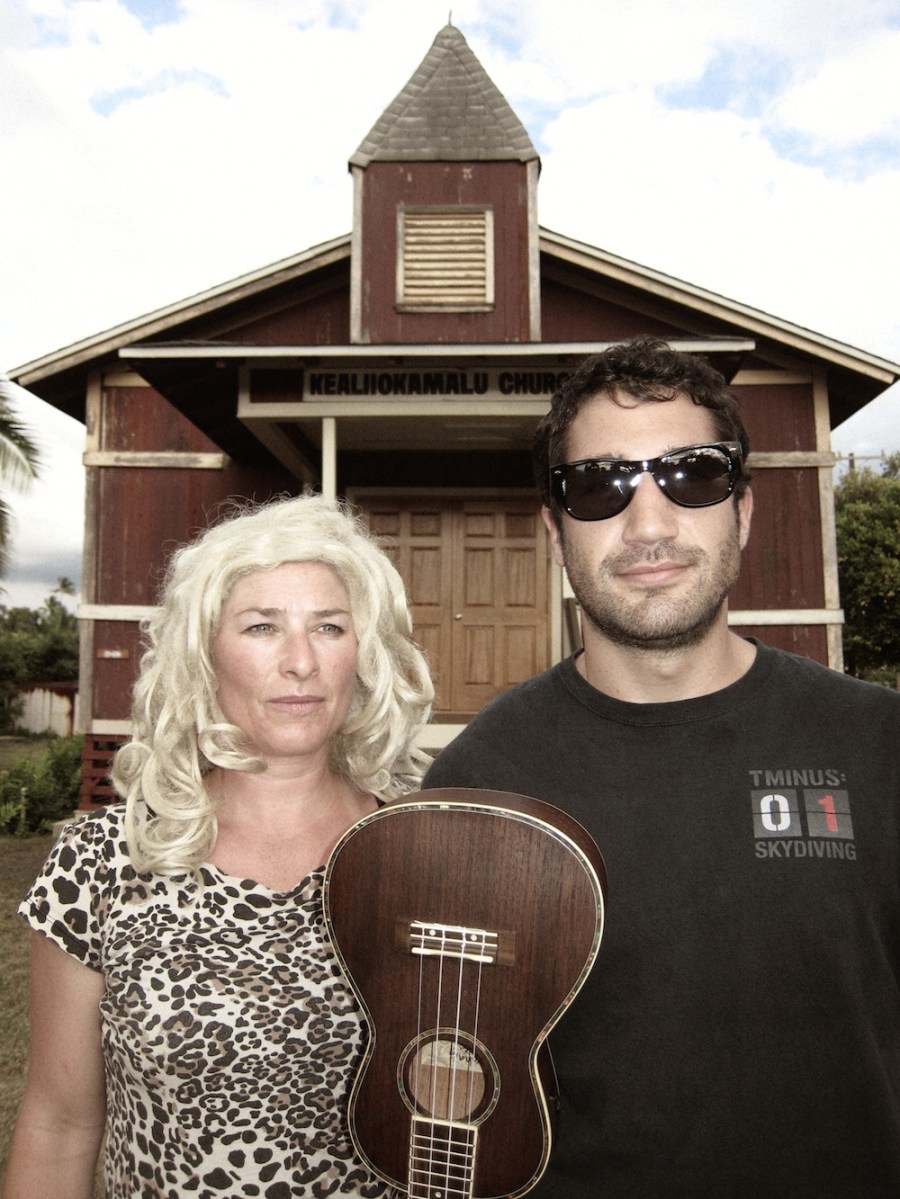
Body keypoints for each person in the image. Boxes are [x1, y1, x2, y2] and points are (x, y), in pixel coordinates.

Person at [423, 336, 900, 1198]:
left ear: (743, 510)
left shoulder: (879, 745)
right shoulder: (478, 785)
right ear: (555, 530)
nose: (648, 525)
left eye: (693, 474)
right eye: (599, 485)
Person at [3, 494, 433, 1199]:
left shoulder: (424, 855)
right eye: (262, 626)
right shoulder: (102, 862)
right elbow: (58, 1124)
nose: (301, 662)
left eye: (328, 626)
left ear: (364, 653)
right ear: (203, 653)